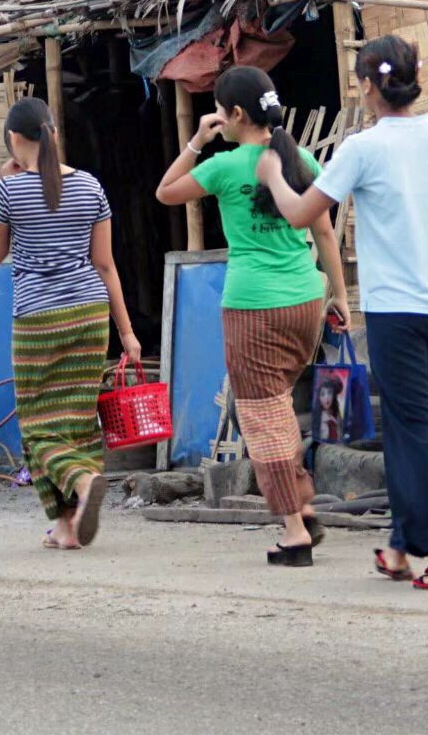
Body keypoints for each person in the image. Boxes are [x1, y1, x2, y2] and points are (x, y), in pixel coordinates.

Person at [257, 36, 428, 591]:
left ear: (367, 85)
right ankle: (398, 549)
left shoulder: (364, 148)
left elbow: (298, 215)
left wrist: (271, 174)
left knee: (413, 430)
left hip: (395, 314)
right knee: (409, 427)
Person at [156, 67, 351, 566]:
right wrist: (341, 296)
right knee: (279, 404)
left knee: (262, 415)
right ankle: (300, 500)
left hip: (254, 306)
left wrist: (197, 141)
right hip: (306, 298)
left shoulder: (224, 167)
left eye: (219, 110)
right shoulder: (301, 157)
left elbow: (166, 191)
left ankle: (293, 529)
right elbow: (325, 234)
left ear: (234, 115)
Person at [0, 97, 141, 551]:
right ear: (50, 133)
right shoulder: (91, 186)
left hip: (38, 320)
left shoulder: (8, 190)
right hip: (90, 315)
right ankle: (66, 527)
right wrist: (127, 331)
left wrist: (3, 185)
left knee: (38, 426)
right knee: (77, 421)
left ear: (15, 139)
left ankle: (84, 482)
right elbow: (106, 265)